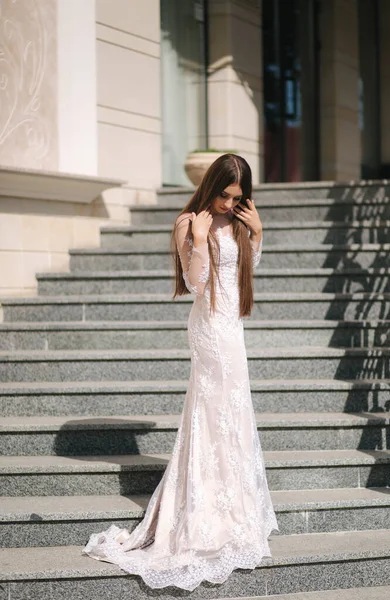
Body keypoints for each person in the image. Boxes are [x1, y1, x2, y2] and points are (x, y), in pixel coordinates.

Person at [82, 153, 279, 591]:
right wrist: (197, 237)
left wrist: (259, 232)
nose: (230, 204)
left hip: (233, 326)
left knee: (232, 411)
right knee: (211, 412)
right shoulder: (187, 221)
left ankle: (233, 508)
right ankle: (204, 513)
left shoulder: (243, 222)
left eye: (238, 197)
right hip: (209, 329)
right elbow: (195, 283)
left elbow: (247, 269)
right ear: (211, 187)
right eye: (225, 195)